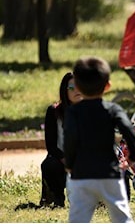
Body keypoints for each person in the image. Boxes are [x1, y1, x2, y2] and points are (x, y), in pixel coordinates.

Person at [64, 56, 135, 223]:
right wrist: (133, 155)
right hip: (109, 174)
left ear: (76, 85)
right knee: (122, 218)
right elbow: (128, 130)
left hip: (81, 176)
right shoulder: (112, 109)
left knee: (78, 220)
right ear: (107, 86)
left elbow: (69, 140)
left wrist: (69, 164)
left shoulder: (73, 113)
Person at [40, 72, 82, 208]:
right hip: (62, 159)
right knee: (49, 165)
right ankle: (55, 198)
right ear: (65, 90)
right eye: (72, 87)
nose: (77, 90)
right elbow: (51, 145)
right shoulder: (54, 111)